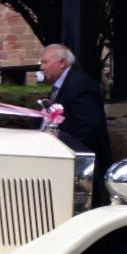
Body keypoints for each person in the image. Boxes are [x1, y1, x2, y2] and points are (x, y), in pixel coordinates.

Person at [40, 43, 112, 203]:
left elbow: (90, 125)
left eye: (45, 62)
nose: (42, 67)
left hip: (81, 163)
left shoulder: (79, 85)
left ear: (62, 63)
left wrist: (67, 149)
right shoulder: (62, 84)